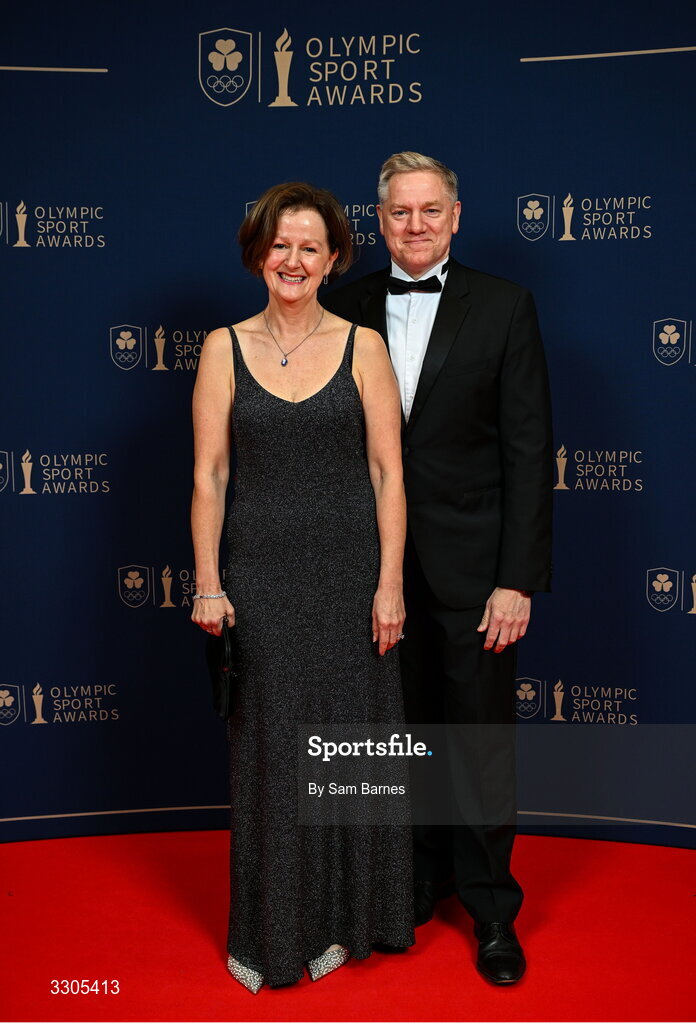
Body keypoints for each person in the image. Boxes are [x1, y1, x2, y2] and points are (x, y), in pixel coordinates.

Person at [324, 152, 553, 985]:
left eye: (430, 210)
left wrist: (516, 579)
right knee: (402, 734)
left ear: (456, 216)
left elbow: (529, 452)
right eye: (398, 213)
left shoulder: (505, 307)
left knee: (479, 742)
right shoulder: (340, 308)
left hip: (475, 574)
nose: (414, 226)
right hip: (374, 574)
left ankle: (492, 907)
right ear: (377, 221)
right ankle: (419, 877)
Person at [190, 182, 414, 993]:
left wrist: (390, 584)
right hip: (260, 573)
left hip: (351, 572)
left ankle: (350, 921)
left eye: (310, 247)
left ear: (333, 259)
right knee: (271, 753)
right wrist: (209, 583)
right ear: (259, 252)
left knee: (347, 745)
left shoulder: (363, 347)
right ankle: (271, 932)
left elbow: (390, 473)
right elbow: (210, 474)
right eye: (280, 245)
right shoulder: (223, 346)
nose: (294, 260)